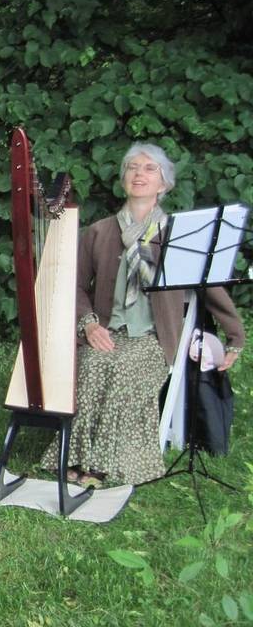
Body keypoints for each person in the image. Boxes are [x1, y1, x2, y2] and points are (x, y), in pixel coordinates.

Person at [42, 143, 244, 486]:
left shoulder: (179, 235)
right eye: (133, 167)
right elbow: (73, 286)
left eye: (150, 169)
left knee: (122, 369)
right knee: (91, 366)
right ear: (123, 179)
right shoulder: (100, 232)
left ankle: (100, 465)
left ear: (163, 184)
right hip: (108, 329)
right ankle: (74, 457)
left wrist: (235, 336)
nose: (140, 174)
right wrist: (89, 325)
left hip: (153, 338)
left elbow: (210, 285)